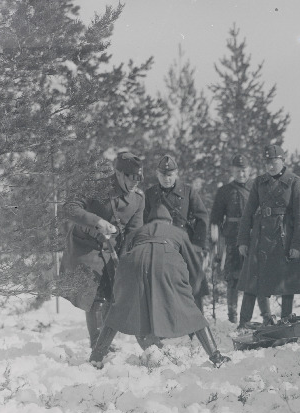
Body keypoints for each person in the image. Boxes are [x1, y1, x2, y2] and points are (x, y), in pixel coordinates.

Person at [89, 204, 231, 369]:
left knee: (117, 310)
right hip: (166, 262)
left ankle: (96, 356)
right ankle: (215, 356)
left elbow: (122, 261)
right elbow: (194, 266)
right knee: (193, 313)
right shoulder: (179, 233)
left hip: (132, 262)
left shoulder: (136, 233)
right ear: (169, 222)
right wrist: (191, 293)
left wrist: (122, 292)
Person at [59, 149, 145, 351]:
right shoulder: (97, 187)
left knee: (112, 294)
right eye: (130, 178)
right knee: (94, 295)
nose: (134, 183)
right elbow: (70, 207)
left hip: (113, 249)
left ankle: (103, 342)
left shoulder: (138, 199)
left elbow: (134, 233)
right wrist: (97, 221)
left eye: (138, 179)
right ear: (118, 174)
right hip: (86, 246)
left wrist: (127, 262)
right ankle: (97, 344)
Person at [237, 144, 300, 326]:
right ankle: (244, 322)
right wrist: (243, 241)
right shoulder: (259, 182)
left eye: (274, 162)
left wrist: (297, 245)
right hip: (261, 239)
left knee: (286, 284)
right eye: (267, 162)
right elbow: (247, 214)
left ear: (283, 161)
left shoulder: (295, 182)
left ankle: (285, 320)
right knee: (252, 281)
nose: (270, 166)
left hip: (284, 238)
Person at [143, 154, 210, 311]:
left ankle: (197, 320)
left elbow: (202, 217)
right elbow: (145, 221)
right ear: (157, 175)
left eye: (170, 175)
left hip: (185, 246)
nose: (167, 179)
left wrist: (198, 245)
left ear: (176, 173)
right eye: (163, 175)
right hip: (160, 246)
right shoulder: (151, 194)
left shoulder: (188, 192)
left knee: (194, 282)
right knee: (161, 285)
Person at [210, 154, 252, 323]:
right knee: (232, 279)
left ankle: (251, 316)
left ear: (249, 171)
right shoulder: (224, 191)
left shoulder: (255, 189)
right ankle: (232, 315)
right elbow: (215, 220)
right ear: (232, 171)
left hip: (251, 239)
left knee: (252, 278)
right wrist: (216, 245)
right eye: (238, 170)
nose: (241, 174)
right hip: (232, 240)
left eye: (244, 170)